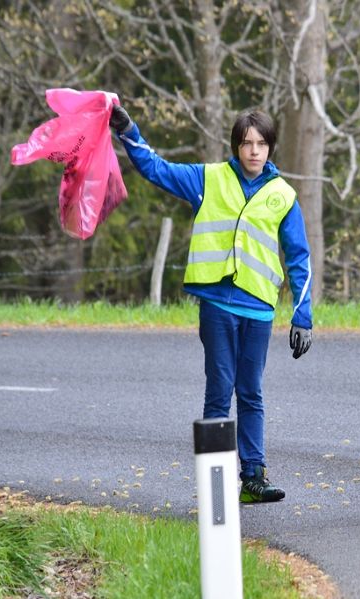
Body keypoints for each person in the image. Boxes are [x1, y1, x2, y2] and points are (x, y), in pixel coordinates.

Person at [109, 103, 313, 504]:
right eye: (246, 143)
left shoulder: (283, 196)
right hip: (218, 305)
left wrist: (302, 316)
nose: (253, 151)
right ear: (236, 146)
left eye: (261, 144)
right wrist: (128, 130)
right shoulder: (209, 178)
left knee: (250, 392)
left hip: (258, 310)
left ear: (271, 148)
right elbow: (156, 168)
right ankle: (215, 481)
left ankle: (253, 477)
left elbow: (299, 258)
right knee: (220, 389)